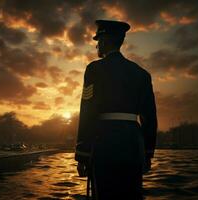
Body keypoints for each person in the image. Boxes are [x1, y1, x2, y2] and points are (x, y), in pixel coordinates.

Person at [75, 20, 157, 200]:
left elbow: (88, 110)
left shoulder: (94, 69)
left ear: (104, 42)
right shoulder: (142, 74)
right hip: (132, 144)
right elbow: (149, 117)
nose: (96, 45)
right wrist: (147, 152)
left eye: (98, 41)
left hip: (104, 142)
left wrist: (82, 153)